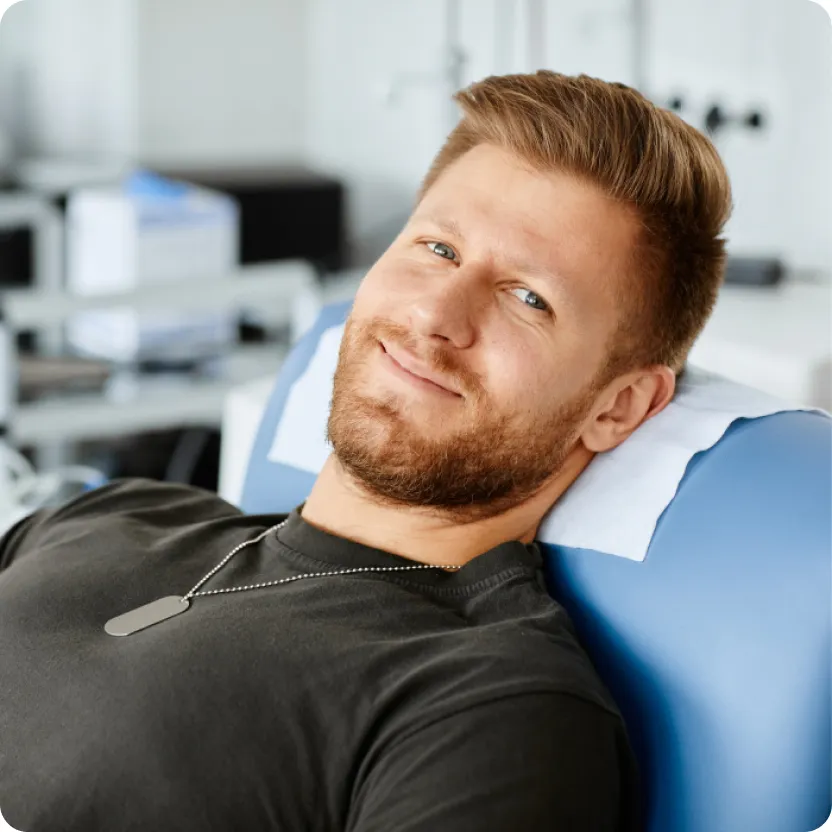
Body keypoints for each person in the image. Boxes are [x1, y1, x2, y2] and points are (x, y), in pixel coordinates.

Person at [0, 70, 732, 831]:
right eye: (438, 248)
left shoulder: (485, 709)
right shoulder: (119, 514)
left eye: (528, 298)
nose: (434, 314)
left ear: (618, 407)